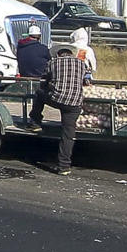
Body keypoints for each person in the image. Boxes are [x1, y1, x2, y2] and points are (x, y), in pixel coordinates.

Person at [42, 44, 89, 175]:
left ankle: (35, 119)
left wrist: (49, 86)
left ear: (58, 54)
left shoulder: (53, 63)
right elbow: (86, 80)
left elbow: (44, 80)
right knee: (68, 134)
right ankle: (64, 167)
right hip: (75, 103)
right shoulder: (81, 63)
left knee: (39, 93)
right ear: (71, 54)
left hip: (58, 99)